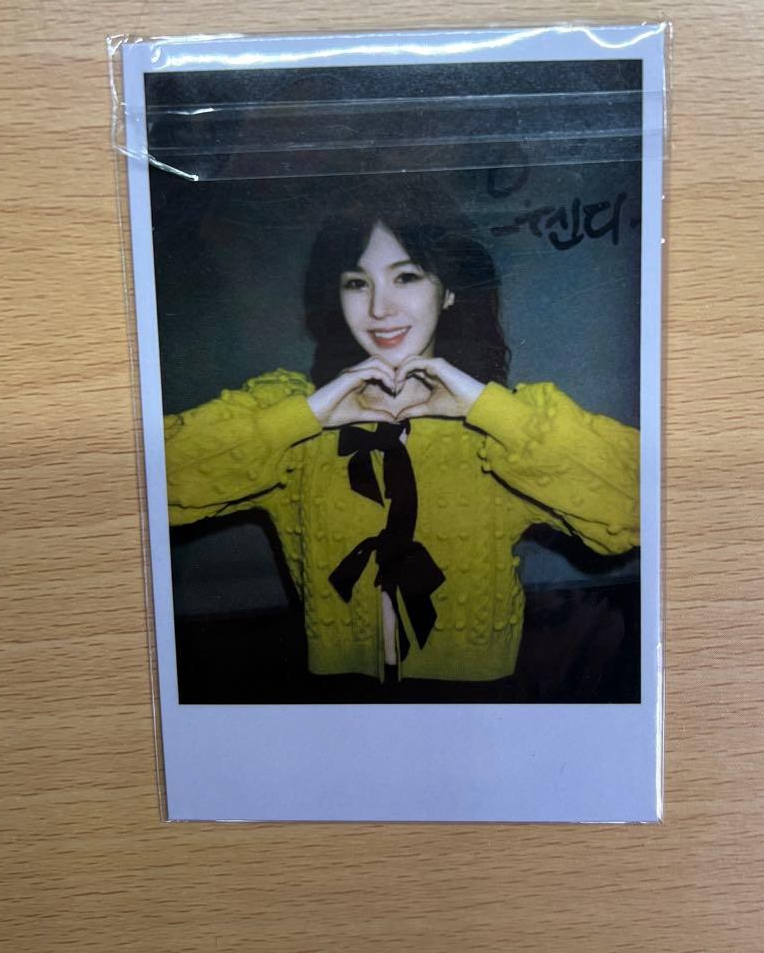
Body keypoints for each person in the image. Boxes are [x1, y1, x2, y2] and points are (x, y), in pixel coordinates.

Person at [163, 180, 639, 684]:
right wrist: (306, 416)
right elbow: (150, 486)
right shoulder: (290, 418)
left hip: (475, 707)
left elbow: (633, 509)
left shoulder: (502, 429)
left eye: (406, 277)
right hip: (341, 702)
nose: (379, 309)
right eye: (356, 283)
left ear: (449, 290)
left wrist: (486, 407)